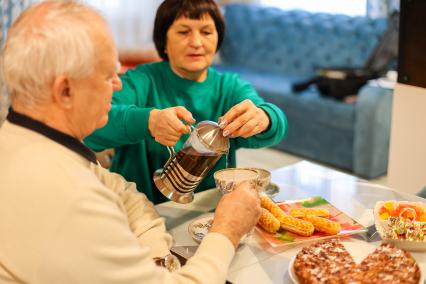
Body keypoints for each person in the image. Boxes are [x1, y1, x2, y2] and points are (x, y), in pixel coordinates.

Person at [0, 1, 261, 283]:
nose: (118, 84)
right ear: (65, 90)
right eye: (107, 75)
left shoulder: (31, 142)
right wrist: (226, 230)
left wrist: (157, 258)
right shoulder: (73, 201)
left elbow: (123, 192)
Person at [84, 0, 288, 204]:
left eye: (207, 32)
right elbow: (90, 128)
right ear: (164, 40)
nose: (197, 42)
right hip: (138, 209)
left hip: (208, 212)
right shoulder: (141, 80)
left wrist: (265, 117)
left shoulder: (230, 87)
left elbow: (274, 123)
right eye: (183, 32)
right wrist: (149, 121)